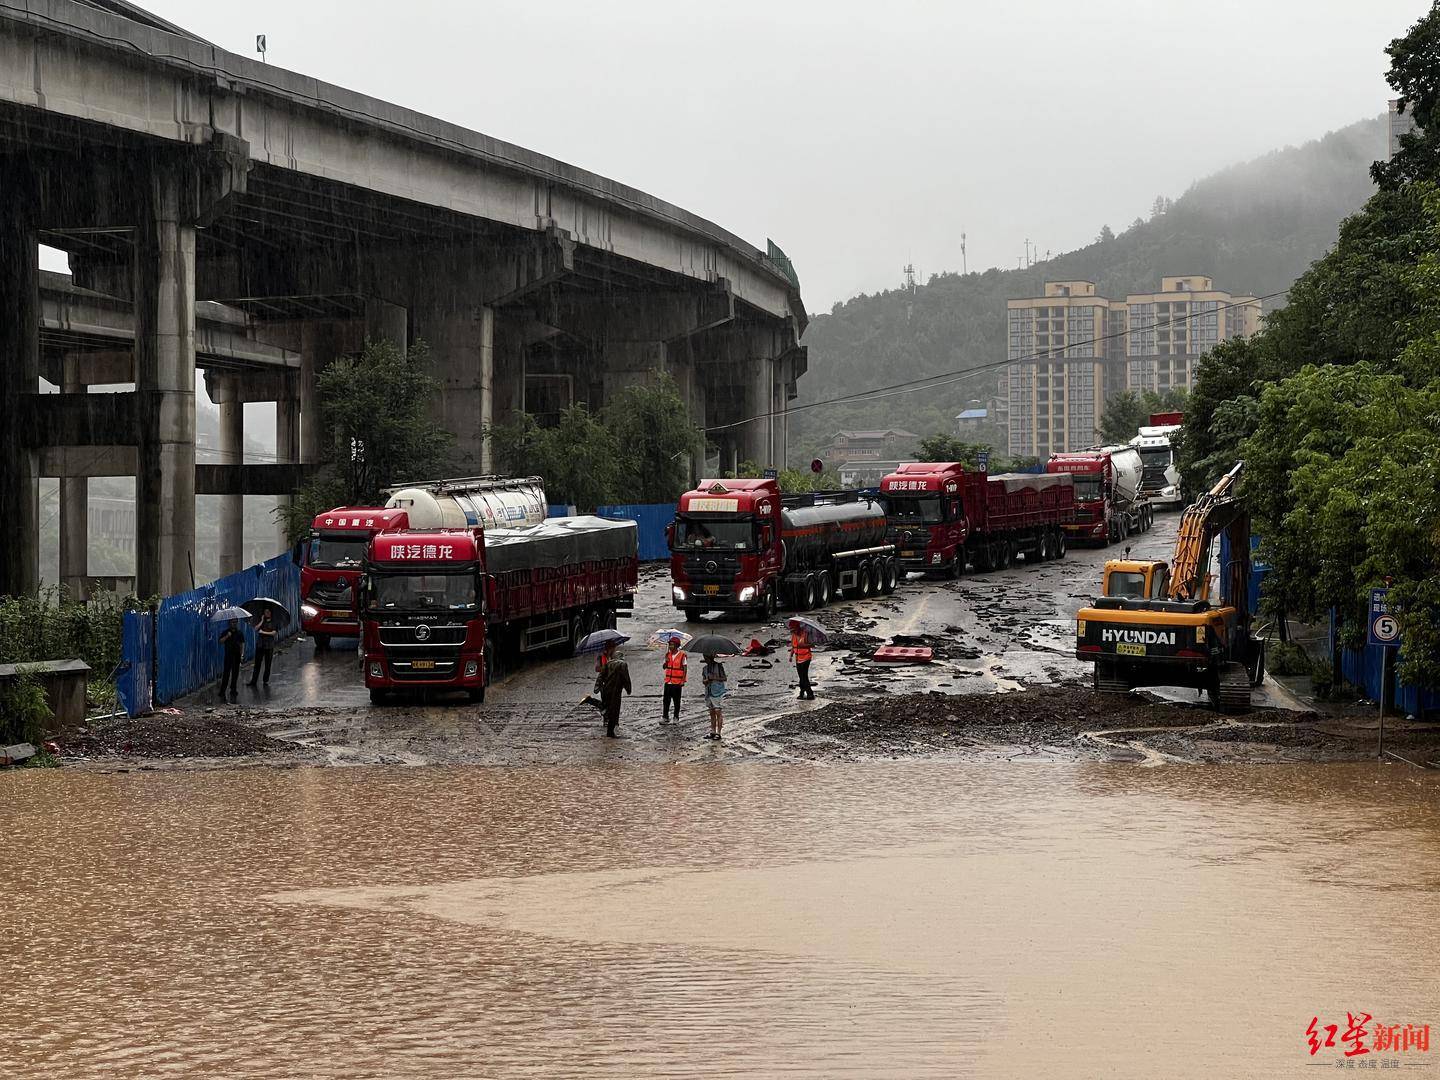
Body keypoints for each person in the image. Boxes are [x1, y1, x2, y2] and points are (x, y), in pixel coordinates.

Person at [598, 645, 631, 737]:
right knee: (614, 710)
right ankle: (610, 732)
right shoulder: (623, 664)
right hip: (616, 691)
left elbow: (600, 676)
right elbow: (626, 678)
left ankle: (608, 725)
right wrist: (628, 688)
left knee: (607, 707)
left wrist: (598, 687)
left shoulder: (607, 664)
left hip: (606, 690)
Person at [248, 610, 278, 688]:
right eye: (265, 612)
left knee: (268, 664)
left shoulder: (274, 622)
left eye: (268, 612)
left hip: (269, 645)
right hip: (260, 645)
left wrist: (263, 632)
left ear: (271, 613)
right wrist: (261, 620)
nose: (267, 613)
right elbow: (256, 628)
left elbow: (273, 633)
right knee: (257, 664)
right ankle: (253, 681)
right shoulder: (262, 622)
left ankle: (265, 680)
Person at [661, 636, 687, 722]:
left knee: (676, 701)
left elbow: (685, 668)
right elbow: (664, 667)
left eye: (672, 645)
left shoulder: (682, 655)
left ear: (676, 645)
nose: (670, 647)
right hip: (668, 681)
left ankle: (676, 717)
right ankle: (665, 717)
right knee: (666, 700)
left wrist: (683, 680)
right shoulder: (667, 655)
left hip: (677, 682)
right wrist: (666, 661)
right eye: (669, 645)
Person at [702, 653, 726, 740]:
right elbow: (703, 681)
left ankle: (718, 733)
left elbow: (724, 678)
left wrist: (715, 678)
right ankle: (713, 731)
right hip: (708, 692)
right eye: (705, 657)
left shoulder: (719, 666)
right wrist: (707, 680)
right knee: (711, 712)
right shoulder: (704, 668)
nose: (706, 658)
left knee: (718, 711)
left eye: (707, 657)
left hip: (717, 691)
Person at [218, 619, 243, 701]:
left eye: (235, 622)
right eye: (233, 622)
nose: (234, 624)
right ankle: (222, 691)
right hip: (228, 655)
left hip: (237, 656)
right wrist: (227, 636)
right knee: (226, 674)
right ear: (230, 623)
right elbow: (220, 641)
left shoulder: (239, 633)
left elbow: (242, 644)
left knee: (235, 674)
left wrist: (242, 655)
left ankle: (233, 689)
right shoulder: (226, 632)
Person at [790, 626, 815, 700]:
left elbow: (812, 645)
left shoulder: (806, 634)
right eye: (792, 630)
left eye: (794, 629)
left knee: (804, 677)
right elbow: (793, 646)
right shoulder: (794, 635)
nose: (793, 631)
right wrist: (791, 655)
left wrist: (803, 645)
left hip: (806, 658)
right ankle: (802, 693)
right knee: (801, 677)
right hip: (798, 658)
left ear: (798, 628)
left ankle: (810, 694)